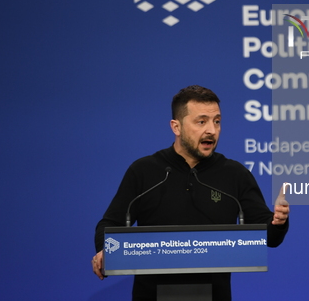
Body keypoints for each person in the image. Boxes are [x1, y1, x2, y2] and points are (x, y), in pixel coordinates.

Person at [92, 85, 289, 300]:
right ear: (176, 127)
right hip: (151, 294)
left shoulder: (235, 174)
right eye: (201, 121)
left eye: (217, 121)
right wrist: (105, 250)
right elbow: (110, 224)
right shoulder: (144, 171)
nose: (212, 131)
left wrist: (278, 222)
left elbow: (268, 235)